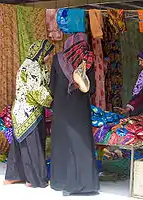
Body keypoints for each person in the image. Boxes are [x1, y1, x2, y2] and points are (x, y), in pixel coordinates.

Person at [49, 33, 99, 196]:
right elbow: (91, 89)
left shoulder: (57, 59)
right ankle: (85, 185)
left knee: (63, 143)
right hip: (79, 110)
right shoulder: (87, 59)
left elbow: (52, 86)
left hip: (62, 108)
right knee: (81, 143)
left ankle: (61, 181)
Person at [4, 40, 54, 188]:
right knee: (33, 146)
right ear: (40, 53)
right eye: (47, 54)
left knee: (20, 145)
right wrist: (53, 102)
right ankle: (34, 179)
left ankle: (13, 176)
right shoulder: (33, 68)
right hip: (29, 112)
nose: (48, 57)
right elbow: (38, 91)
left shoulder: (29, 65)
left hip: (20, 111)